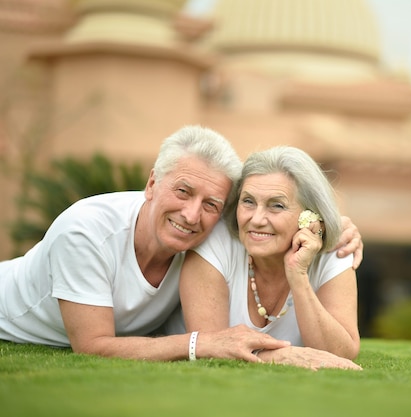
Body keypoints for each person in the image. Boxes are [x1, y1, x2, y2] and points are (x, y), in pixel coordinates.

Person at [0, 125, 362, 369]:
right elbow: (92, 346)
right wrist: (202, 344)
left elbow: (344, 353)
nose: (192, 215)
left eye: (211, 204)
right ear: (152, 183)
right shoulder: (85, 231)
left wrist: (327, 236)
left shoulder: (216, 229)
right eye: (183, 192)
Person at [177, 146, 360, 364]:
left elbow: (340, 354)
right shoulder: (215, 244)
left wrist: (298, 274)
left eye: (276, 205)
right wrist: (280, 356)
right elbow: (212, 349)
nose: (256, 219)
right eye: (248, 201)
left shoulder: (334, 252)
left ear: (310, 217)